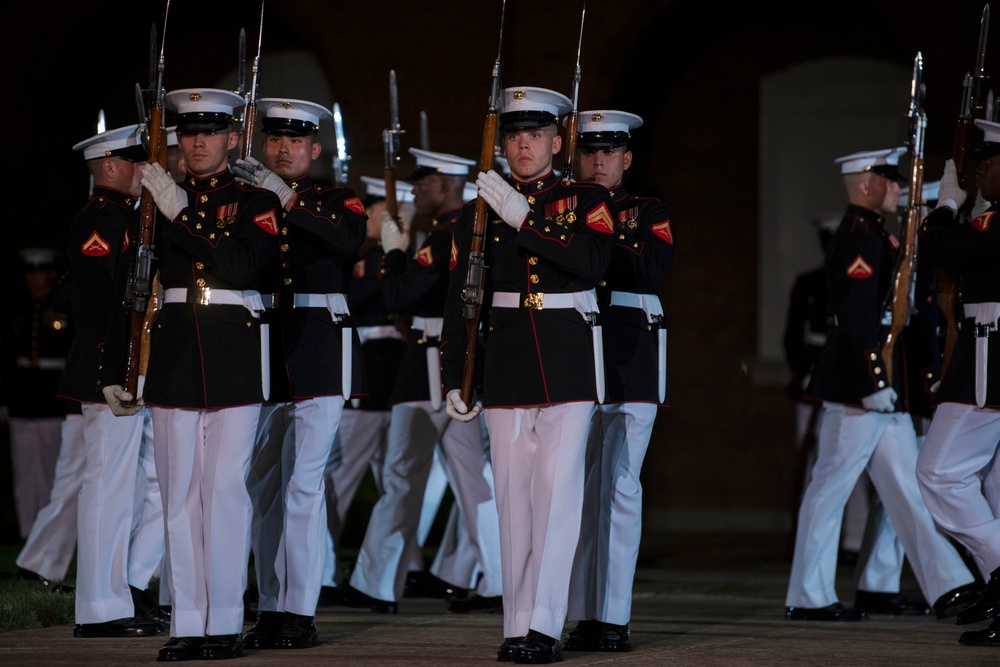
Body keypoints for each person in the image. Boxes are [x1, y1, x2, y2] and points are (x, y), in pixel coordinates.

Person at [441, 86, 616, 664]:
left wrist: (526, 218)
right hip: (508, 361)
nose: (523, 144)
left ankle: (544, 624)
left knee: (556, 496)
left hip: (566, 358)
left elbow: (593, 263)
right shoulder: (478, 209)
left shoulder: (586, 198)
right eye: (514, 135)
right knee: (513, 500)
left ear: (557, 142)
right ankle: (517, 623)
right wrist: (454, 374)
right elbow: (459, 299)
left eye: (535, 134)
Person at [784, 147, 978, 623]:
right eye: (891, 182)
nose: (898, 190)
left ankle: (945, 585)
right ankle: (808, 596)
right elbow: (855, 317)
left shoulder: (874, 236)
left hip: (878, 390)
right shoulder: (858, 237)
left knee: (907, 490)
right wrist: (873, 378)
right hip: (858, 389)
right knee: (830, 489)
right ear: (867, 185)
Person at [138, 88, 282, 661]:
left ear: (229, 138)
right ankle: (187, 622)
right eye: (187, 133)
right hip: (173, 351)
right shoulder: (151, 201)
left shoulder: (254, 202)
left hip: (231, 354)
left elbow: (242, 264)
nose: (197, 142)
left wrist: (178, 210)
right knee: (177, 497)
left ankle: (223, 620)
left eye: (209, 132)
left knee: (223, 493)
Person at [334, 147, 502, 615]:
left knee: (404, 474)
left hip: (430, 358)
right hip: (451, 359)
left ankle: (375, 582)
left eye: (423, 182)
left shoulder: (447, 234)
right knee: (474, 478)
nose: (416, 189)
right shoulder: (464, 229)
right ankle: (502, 581)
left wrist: (393, 253)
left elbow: (399, 294)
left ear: (445, 184)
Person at [232, 96, 367, 650]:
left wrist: (284, 196)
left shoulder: (340, 200)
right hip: (263, 345)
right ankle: (269, 604)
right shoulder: (244, 200)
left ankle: (300, 611)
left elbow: (347, 242)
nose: (283, 149)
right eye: (275, 140)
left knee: (303, 487)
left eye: (296, 141)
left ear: (315, 149)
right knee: (263, 487)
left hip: (318, 349)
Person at [557, 110, 673, 653]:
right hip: (577, 356)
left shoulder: (646, 210)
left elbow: (648, 270)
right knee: (577, 492)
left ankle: (614, 617)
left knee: (620, 488)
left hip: (629, 359)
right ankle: (583, 612)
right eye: (589, 152)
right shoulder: (564, 208)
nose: (597, 161)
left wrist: (586, 249)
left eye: (609, 153)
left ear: (626, 159)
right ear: (574, 156)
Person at [57, 124, 165, 639]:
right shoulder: (101, 218)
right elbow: (95, 302)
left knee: (157, 487)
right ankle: (100, 606)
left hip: (139, 370)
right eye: (136, 162)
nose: (146, 170)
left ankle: (131, 586)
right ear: (108, 166)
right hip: (111, 371)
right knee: (108, 487)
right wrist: (106, 371)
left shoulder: (130, 217)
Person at [915, 119, 1000, 646]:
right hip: (985, 343)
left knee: (940, 472)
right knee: (993, 484)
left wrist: (945, 207)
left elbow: (941, 250)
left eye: (987, 163)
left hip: (992, 353)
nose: (978, 173)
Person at [2, 248, 72, 539]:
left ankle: (49, 533)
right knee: (25, 472)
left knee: (51, 471)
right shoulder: (18, 311)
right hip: (23, 400)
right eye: (30, 273)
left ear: (51, 275)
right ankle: (27, 530)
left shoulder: (65, 310)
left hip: (52, 399)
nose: (35, 280)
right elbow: (7, 359)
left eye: (40, 273)